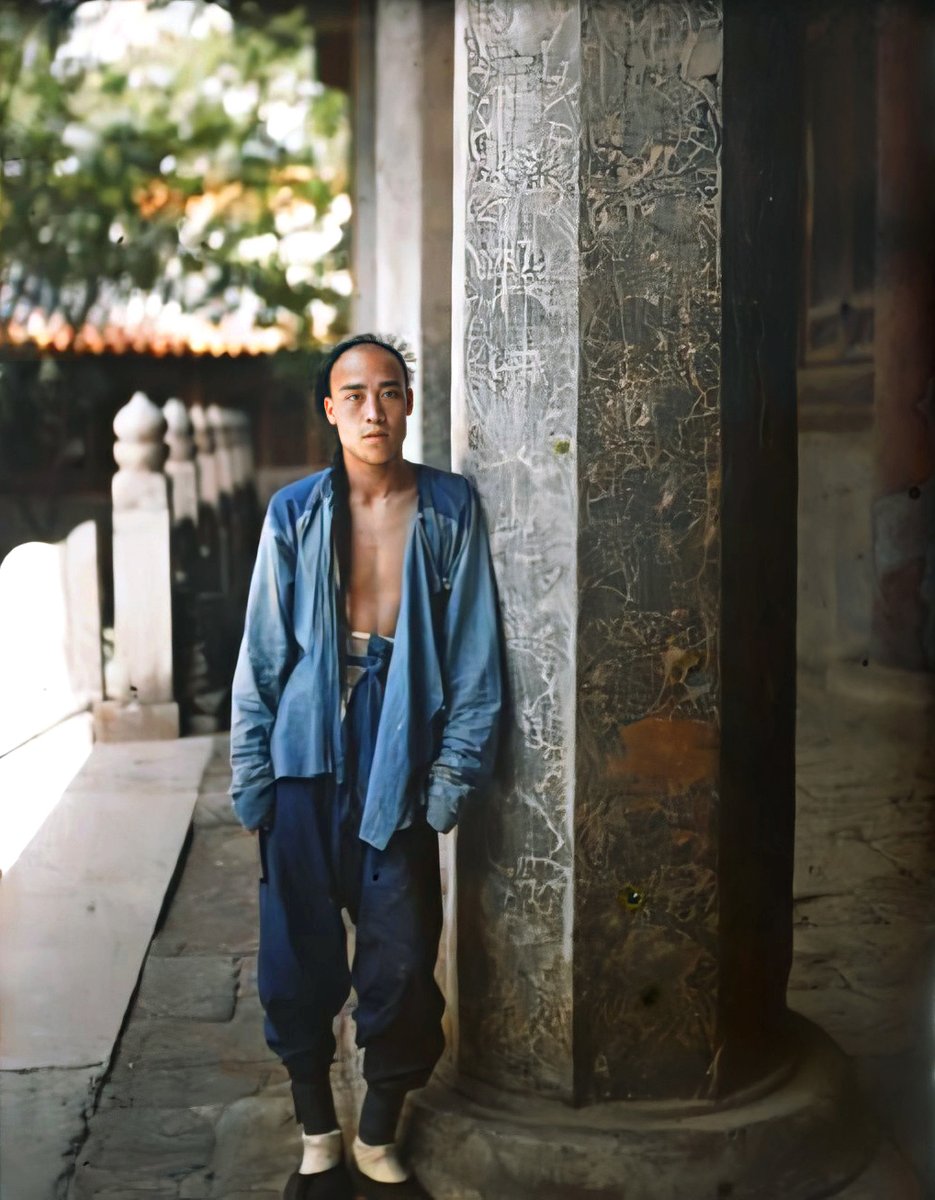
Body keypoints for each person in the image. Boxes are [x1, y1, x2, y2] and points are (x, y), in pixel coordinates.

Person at [229, 334, 502, 1199]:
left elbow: (472, 661)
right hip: (307, 755)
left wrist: (448, 782)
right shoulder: (295, 514)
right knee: (295, 955)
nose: (373, 410)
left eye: (389, 392)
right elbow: (262, 655)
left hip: (400, 756)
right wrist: (254, 777)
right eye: (354, 395)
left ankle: (377, 1127)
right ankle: (317, 1127)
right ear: (330, 409)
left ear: (410, 403)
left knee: (399, 958)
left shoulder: (450, 508)